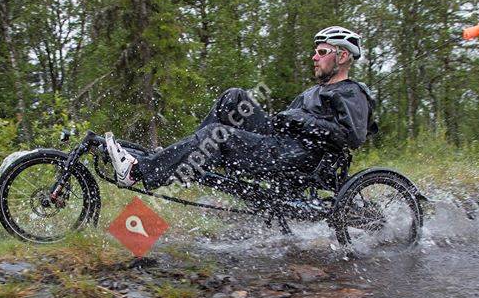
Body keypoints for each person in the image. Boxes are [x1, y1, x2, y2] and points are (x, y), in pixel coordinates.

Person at [104, 26, 378, 190]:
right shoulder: (314, 91)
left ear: (343, 56)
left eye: (322, 52)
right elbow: (289, 123)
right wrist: (290, 120)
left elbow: (351, 136)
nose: (314, 57)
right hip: (282, 143)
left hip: (299, 157)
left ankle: (137, 172)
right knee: (234, 97)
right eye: (315, 51)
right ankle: (185, 158)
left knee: (218, 135)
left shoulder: (351, 92)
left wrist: (297, 120)